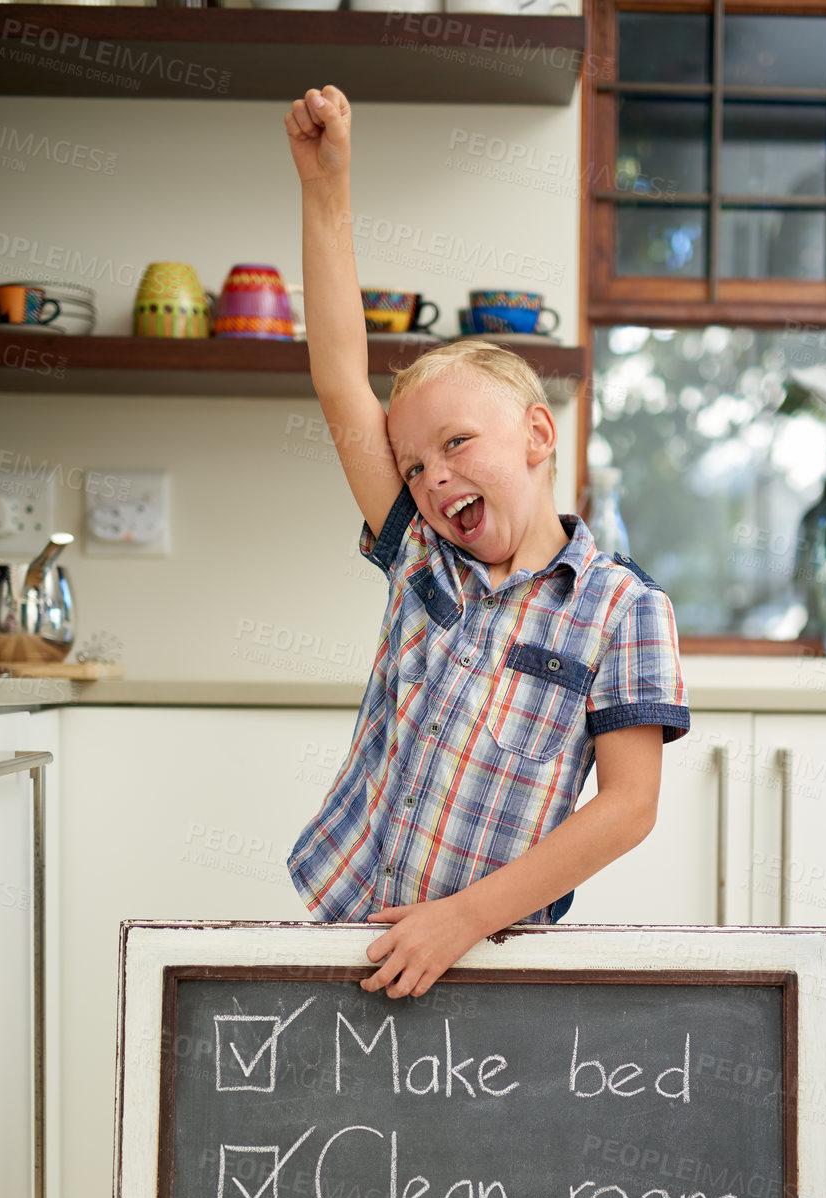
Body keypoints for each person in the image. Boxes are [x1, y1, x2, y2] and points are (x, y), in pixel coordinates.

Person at [283, 85, 689, 1001]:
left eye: (456, 445)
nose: (431, 479)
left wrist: (464, 918)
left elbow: (628, 808)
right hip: (346, 931)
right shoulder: (421, 559)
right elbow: (340, 374)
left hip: (493, 956)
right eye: (415, 464)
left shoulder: (624, 611)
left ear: (538, 437)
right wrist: (325, 185)